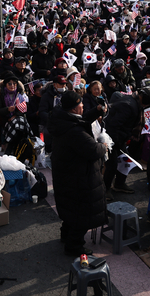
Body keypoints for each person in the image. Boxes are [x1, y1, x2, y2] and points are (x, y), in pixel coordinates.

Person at [49, 91, 107, 256]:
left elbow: (81, 120)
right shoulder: (74, 132)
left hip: (67, 174)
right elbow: (94, 150)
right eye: (80, 104)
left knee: (70, 209)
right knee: (81, 213)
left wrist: (96, 111)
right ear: (74, 109)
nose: (83, 106)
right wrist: (104, 145)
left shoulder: (62, 119)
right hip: (78, 177)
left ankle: (66, 235)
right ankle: (74, 246)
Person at [103, 88, 150, 196]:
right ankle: (105, 189)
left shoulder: (133, 101)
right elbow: (114, 126)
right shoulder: (129, 106)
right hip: (112, 139)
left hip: (120, 138)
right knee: (112, 165)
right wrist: (115, 143)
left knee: (126, 161)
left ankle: (119, 184)